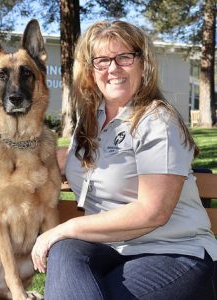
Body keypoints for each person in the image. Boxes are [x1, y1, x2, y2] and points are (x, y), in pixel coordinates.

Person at [31, 20, 217, 299]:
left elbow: (154, 212)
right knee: (65, 250)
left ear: (143, 65)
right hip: (111, 251)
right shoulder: (90, 120)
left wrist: (67, 227)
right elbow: (70, 160)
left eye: (124, 57)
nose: (113, 68)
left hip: (174, 253)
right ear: (91, 71)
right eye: (102, 60)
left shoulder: (157, 120)